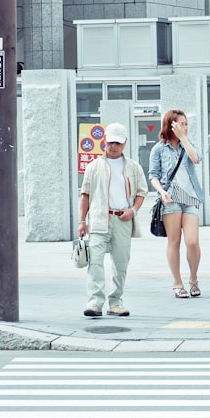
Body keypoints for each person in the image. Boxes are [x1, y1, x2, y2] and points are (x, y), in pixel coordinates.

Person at [77, 123, 147, 317]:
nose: (113, 146)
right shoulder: (93, 166)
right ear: (104, 141)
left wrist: (133, 210)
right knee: (96, 262)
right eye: (110, 142)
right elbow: (85, 195)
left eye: (118, 142)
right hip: (99, 219)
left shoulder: (133, 167)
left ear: (124, 143)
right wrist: (82, 221)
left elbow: (142, 192)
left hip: (123, 219)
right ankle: (95, 302)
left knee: (121, 263)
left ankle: (116, 302)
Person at [149, 109, 205, 299]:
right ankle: (177, 282)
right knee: (174, 241)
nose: (184, 127)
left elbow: (196, 158)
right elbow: (153, 175)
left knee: (193, 241)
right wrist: (161, 191)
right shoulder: (158, 148)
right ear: (169, 124)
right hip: (170, 197)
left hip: (190, 197)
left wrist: (184, 138)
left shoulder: (188, 144)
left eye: (186, 123)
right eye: (180, 123)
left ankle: (194, 278)